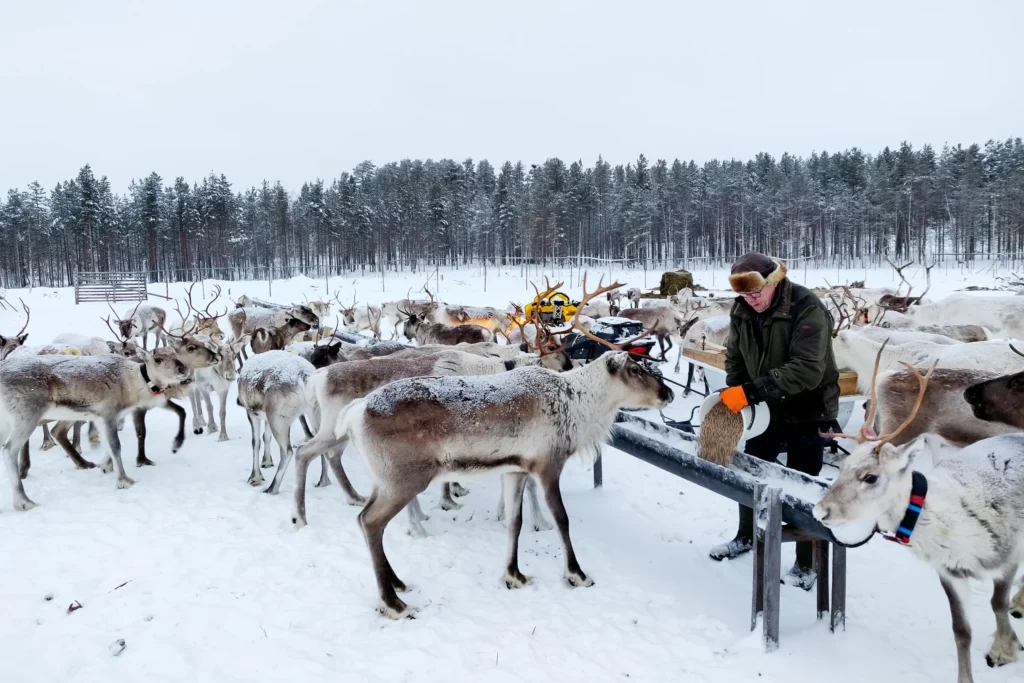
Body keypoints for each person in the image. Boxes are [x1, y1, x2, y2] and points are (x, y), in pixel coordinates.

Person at [709, 252, 839, 591]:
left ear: (774, 281)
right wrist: (736, 391)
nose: (751, 301)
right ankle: (747, 536)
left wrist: (750, 392)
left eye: (755, 293)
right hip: (764, 408)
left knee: (803, 484)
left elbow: (808, 370)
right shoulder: (743, 309)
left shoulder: (807, 307)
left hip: (807, 408)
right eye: (744, 295)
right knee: (751, 473)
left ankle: (806, 563)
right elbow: (735, 356)